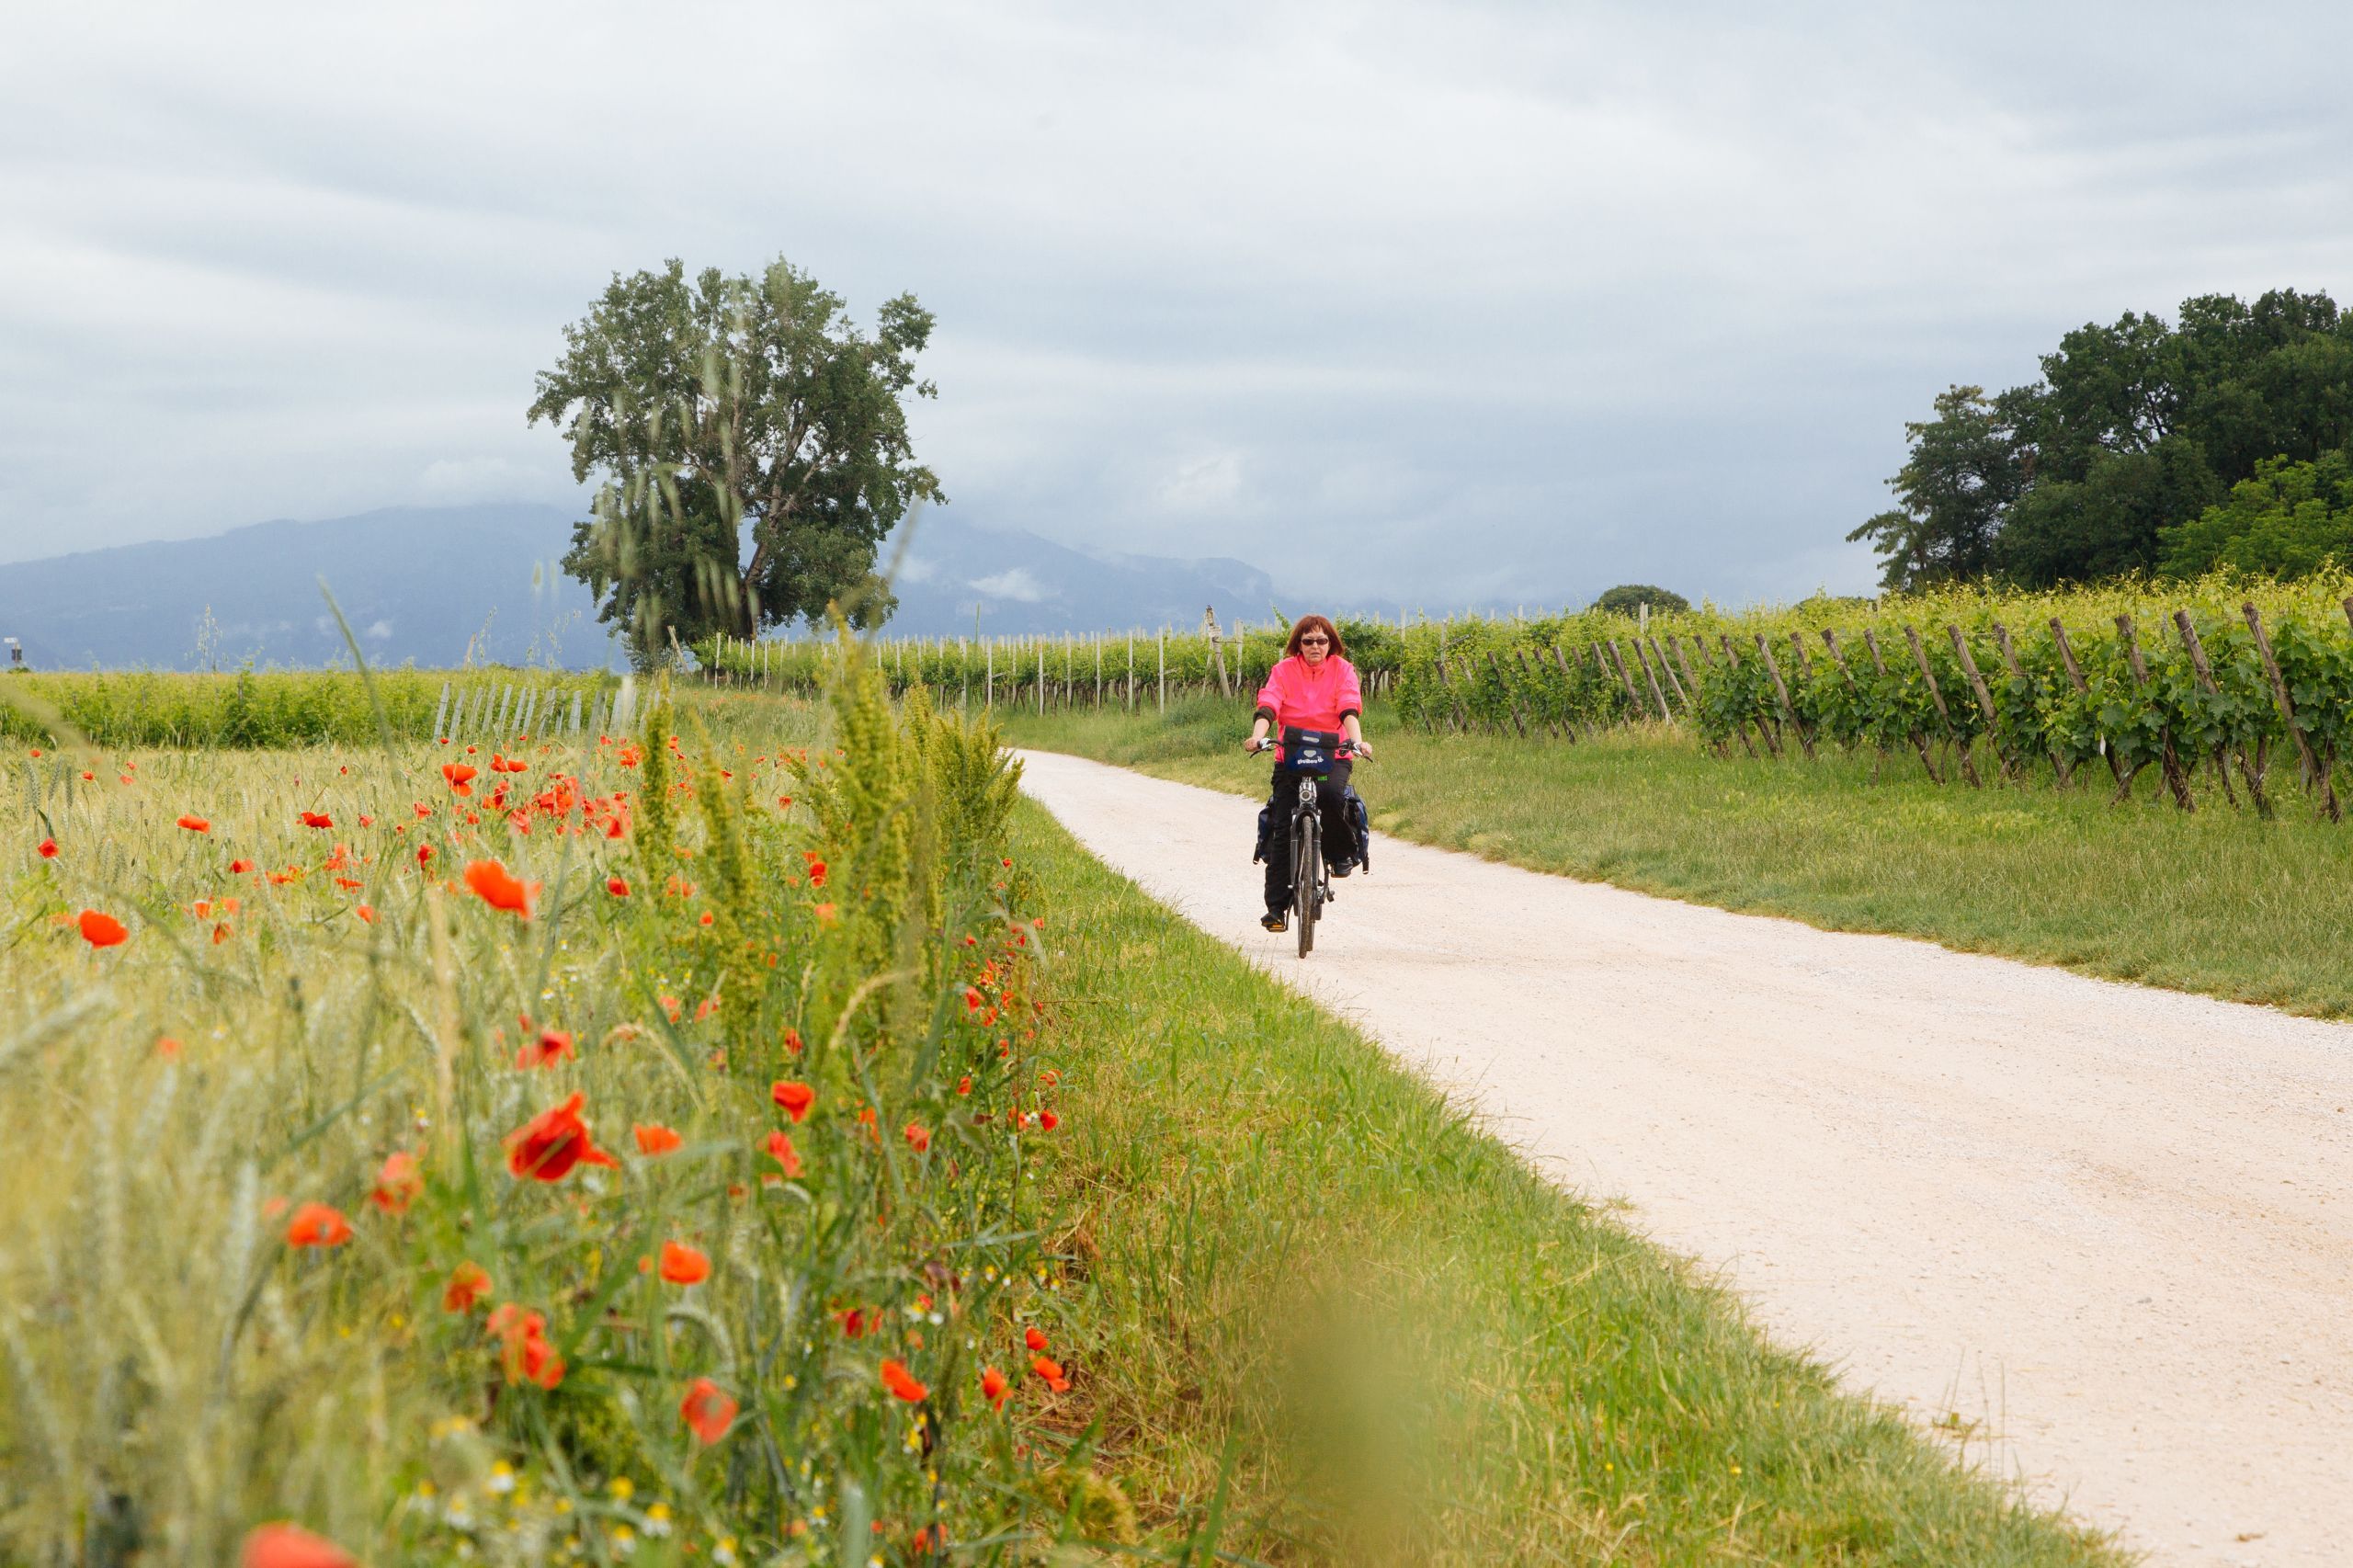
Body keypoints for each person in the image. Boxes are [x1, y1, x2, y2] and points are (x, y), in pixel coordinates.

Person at [1245, 613, 1371, 932]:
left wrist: (1356, 742)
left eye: (1322, 640)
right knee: (1283, 827)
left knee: (1331, 797)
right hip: (1291, 753)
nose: (1315, 646)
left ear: (1332, 643)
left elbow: (1348, 706)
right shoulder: (1284, 671)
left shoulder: (1343, 670)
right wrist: (1258, 735)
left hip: (1334, 752)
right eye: (1308, 641)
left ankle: (1339, 853)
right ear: (1298, 645)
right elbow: (1269, 703)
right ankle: (1276, 909)